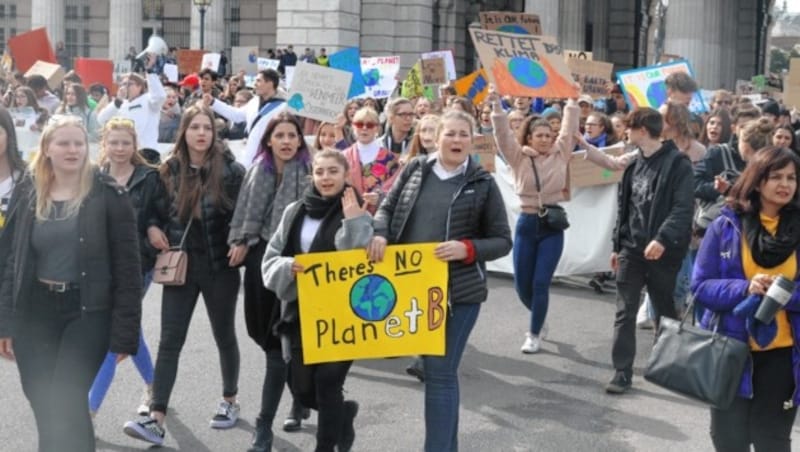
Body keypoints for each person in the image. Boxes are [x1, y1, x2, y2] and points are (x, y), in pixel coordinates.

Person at [368, 110, 512, 451]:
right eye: (451, 134)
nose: (457, 140)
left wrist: (467, 249)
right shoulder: (416, 169)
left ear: (473, 139)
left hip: (458, 294)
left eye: (464, 134)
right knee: (440, 374)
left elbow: (502, 240)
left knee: (439, 372)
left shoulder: (483, 183)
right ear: (436, 137)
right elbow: (386, 210)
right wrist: (380, 233)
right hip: (412, 289)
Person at [0, 116, 142, 451]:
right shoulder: (28, 191)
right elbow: (9, 262)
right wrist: (4, 322)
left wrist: (125, 332)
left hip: (87, 313)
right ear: (46, 148)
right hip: (34, 312)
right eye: (63, 143)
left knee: (66, 398)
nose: (73, 149)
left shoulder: (109, 195)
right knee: (42, 400)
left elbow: (128, 268)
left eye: (79, 143)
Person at [123, 105, 245, 446]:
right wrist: (151, 229)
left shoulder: (232, 170)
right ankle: (156, 417)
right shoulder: (168, 170)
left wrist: (241, 241)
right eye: (195, 128)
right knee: (170, 340)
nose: (202, 133)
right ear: (185, 132)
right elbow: (152, 214)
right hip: (180, 266)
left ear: (214, 133)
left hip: (221, 267)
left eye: (207, 127)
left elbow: (245, 215)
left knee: (224, 335)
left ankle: (230, 400)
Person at [262, 149, 373, 452]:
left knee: (328, 382)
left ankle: (325, 446)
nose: (326, 178)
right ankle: (343, 414)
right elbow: (271, 258)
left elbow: (360, 266)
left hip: (343, 315)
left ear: (346, 174)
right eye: (320, 172)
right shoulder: (295, 211)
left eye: (333, 172)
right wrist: (287, 267)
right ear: (313, 175)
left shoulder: (358, 212)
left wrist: (354, 222)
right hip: (299, 312)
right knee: (302, 389)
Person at [692, 146, 800, 452]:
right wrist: (744, 288)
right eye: (776, 176)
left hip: (783, 354)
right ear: (756, 180)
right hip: (729, 350)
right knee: (729, 440)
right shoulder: (725, 225)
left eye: (792, 178)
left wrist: (782, 294)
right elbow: (700, 286)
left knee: (772, 441)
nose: (785, 184)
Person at [227, 112, 312, 451]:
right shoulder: (256, 171)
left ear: (300, 141)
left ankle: (264, 425)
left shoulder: (309, 173)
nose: (287, 141)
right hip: (260, 257)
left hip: (297, 264)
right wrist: (239, 241)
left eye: (293, 135)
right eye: (281, 136)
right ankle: (298, 396)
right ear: (269, 141)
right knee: (262, 334)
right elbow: (244, 213)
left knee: (279, 347)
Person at [605, 108, 694, 394]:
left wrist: (662, 238)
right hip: (632, 249)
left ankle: (667, 365)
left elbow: (683, 209)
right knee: (625, 310)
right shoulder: (633, 165)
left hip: (664, 252)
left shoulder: (678, 163)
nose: (625, 134)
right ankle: (622, 372)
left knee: (664, 309)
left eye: (629, 129)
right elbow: (625, 209)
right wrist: (617, 246)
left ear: (642, 130)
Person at [489, 85, 579, 354]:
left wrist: (572, 101)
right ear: (528, 137)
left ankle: (534, 332)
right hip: (527, 224)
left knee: (541, 282)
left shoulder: (561, 151)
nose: (545, 139)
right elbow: (502, 135)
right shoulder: (518, 156)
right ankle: (539, 313)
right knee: (522, 284)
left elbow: (568, 128)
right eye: (539, 135)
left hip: (552, 226)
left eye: (548, 135)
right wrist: (496, 106)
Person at [88, 117, 160, 418]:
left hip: (136, 265)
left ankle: (87, 411)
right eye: (114, 142)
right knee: (131, 331)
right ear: (104, 144)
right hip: (98, 268)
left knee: (114, 334)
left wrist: (154, 227)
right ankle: (156, 387)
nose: (119, 148)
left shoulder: (149, 177)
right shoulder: (93, 176)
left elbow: (160, 212)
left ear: (135, 145)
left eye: (125, 143)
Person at [207, 69, 286, 167]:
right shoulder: (254, 102)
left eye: (258, 81)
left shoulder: (283, 108)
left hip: (270, 161)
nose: (255, 84)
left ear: (270, 83)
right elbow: (236, 115)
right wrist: (213, 102)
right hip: (250, 160)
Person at [97, 54, 166, 153]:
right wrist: (118, 101)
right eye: (123, 84)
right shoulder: (119, 104)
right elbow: (101, 119)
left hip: (146, 152)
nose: (125, 87)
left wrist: (150, 72)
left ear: (139, 87)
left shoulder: (148, 101)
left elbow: (160, 96)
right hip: (126, 153)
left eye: (129, 84)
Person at [342, 107, 402, 213]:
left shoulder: (390, 159)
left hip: (380, 216)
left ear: (377, 128)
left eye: (370, 125)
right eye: (359, 124)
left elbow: (396, 189)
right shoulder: (343, 157)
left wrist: (380, 196)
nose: (364, 128)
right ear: (353, 126)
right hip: (348, 214)